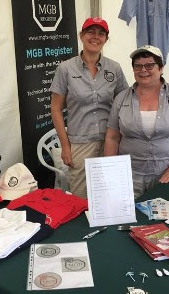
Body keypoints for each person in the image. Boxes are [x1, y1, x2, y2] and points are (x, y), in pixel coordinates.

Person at [104, 45, 169, 199]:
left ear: (161, 68)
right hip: (129, 175)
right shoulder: (121, 98)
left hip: (168, 173)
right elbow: (112, 137)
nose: (143, 70)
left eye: (149, 65)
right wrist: (111, 170)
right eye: (138, 66)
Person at [50, 17, 128, 198]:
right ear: (81, 36)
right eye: (91, 32)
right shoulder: (65, 69)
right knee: (81, 197)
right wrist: (65, 147)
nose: (96, 37)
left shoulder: (114, 68)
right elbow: (56, 109)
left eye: (101, 33)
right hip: (80, 143)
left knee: (110, 193)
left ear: (106, 39)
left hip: (111, 141)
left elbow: (124, 104)